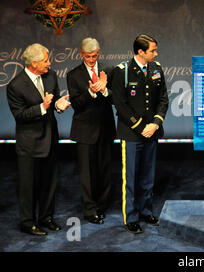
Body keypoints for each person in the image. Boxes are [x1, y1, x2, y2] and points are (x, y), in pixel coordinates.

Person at [6, 43, 71, 236]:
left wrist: (59, 105)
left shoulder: (50, 76)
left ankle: (46, 217)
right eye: (45, 61)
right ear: (34, 63)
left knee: (50, 182)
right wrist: (42, 107)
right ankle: (27, 222)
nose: (49, 64)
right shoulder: (15, 86)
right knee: (29, 186)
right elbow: (20, 115)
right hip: (30, 144)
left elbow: (55, 101)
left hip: (51, 139)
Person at [111, 34, 169, 234]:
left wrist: (155, 123)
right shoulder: (123, 71)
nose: (156, 53)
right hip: (132, 134)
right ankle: (131, 217)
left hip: (152, 132)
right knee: (131, 177)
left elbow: (163, 99)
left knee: (148, 176)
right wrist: (140, 126)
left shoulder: (156, 69)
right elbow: (120, 104)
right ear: (140, 52)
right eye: (152, 50)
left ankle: (146, 211)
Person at [67, 38, 116, 224]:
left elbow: (116, 99)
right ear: (81, 54)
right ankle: (90, 210)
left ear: (99, 52)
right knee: (87, 174)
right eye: (88, 56)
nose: (91, 59)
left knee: (104, 171)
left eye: (94, 55)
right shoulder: (73, 75)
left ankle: (102, 207)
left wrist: (104, 90)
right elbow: (77, 105)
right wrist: (91, 92)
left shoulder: (108, 72)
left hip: (105, 129)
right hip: (84, 130)